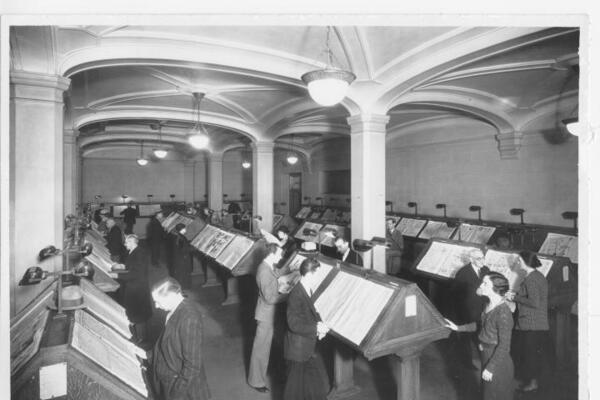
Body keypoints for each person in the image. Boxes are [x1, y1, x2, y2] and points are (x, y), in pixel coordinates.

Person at [446, 272, 514, 400]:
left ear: (495, 289)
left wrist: (491, 367)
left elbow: (504, 346)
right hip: (486, 355)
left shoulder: (503, 313)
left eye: (485, 283)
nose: (481, 285)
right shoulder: (488, 304)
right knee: (487, 394)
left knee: (496, 395)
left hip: (498, 360)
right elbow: (480, 325)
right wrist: (458, 328)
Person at [150, 277, 211, 400]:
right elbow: (167, 344)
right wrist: (147, 354)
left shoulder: (189, 318)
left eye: (158, 301)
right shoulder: (173, 311)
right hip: (170, 380)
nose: (156, 306)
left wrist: (176, 394)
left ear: (172, 295)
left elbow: (193, 366)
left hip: (182, 389)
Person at [283, 258, 330, 400]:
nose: (319, 277)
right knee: (293, 392)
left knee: (313, 387)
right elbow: (294, 324)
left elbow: (311, 312)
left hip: (306, 348)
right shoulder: (296, 294)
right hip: (297, 351)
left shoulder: (307, 288)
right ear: (310, 274)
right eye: (318, 273)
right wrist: (316, 328)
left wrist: (320, 326)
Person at [506, 250, 549, 393]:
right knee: (531, 355)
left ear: (525, 262)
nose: (517, 263)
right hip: (536, 321)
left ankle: (532, 383)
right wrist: (515, 294)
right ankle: (532, 381)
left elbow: (534, 302)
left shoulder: (531, 278)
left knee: (530, 355)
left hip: (531, 322)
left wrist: (514, 298)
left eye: (519, 260)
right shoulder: (536, 275)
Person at [248, 243, 287, 393]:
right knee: (261, 349)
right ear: (272, 254)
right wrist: (287, 296)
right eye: (279, 254)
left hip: (271, 314)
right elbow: (270, 298)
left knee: (270, 346)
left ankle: (271, 374)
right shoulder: (264, 270)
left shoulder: (268, 266)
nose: (281, 257)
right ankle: (256, 381)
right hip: (266, 315)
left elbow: (276, 273)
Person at [452, 248, 491, 369]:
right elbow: (456, 294)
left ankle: (485, 360)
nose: (482, 260)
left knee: (480, 334)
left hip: (482, 308)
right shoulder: (463, 273)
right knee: (466, 337)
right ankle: (467, 362)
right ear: (471, 260)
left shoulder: (486, 270)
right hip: (467, 309)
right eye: (479, 258)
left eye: (483, 257)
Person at [112, 234, 153, 345]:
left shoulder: (139, 253)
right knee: (136, 313)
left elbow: (137, 273)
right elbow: (132, 266)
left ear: (133, 242)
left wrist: (118, 276)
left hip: (138, 288)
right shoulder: (133, 251)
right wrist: (122, 266)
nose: (125, 245)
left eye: (126, 242)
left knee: (138, 314)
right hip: (134, 286)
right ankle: (140, 336)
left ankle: (142, 339)